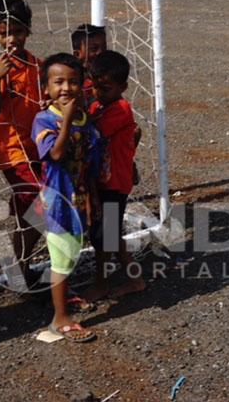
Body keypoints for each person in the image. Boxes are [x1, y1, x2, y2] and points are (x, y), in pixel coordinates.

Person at [31, 53, 104, 343]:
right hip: (58, 200)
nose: (66, 88)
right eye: (58, 82)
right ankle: (59, 319)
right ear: (46, 88)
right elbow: (56, 154)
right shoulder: (44, 119)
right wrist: (67, 122)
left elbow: (88, 160)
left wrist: (93, 197)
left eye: (73, 82)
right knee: (61, 257)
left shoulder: (84, 119)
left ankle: (63, 298)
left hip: (79, 195)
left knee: (70, 251)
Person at [0, 0, 46, 288]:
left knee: (32, 209)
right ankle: (17, 267)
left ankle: (20, 266)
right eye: (4, 32)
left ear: (28, 31)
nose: (11, 39)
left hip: (39, 148)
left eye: (17, 31)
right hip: (12, 151)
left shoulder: (38, 66)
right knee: (43, 204)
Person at [82, 50, 144, 301]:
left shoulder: (119, 108)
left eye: (105, 88)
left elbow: (92, 133)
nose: (97, 92)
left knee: (103, 236)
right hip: (103, 181)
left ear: (123, 87)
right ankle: (135, 279)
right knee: (107, 234)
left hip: (114, 183)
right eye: (95, 87)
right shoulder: (99, 104)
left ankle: (101, 283)